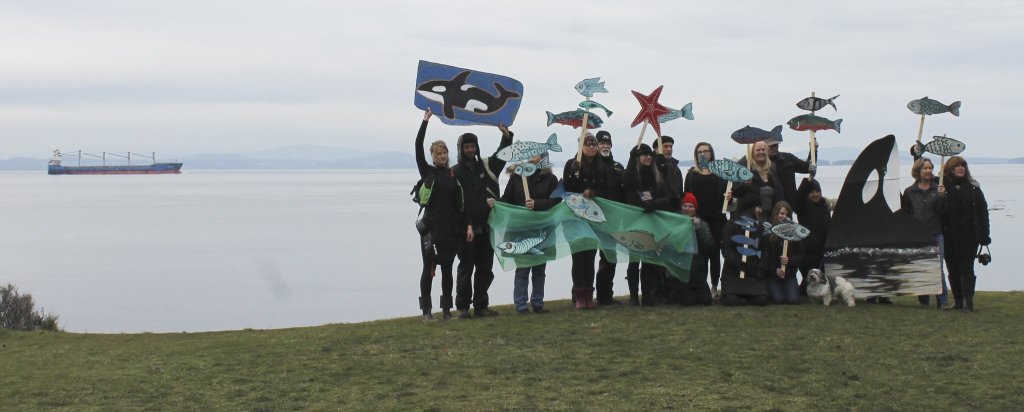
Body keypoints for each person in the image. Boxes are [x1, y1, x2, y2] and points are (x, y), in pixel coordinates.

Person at [451, 123, 513, 318]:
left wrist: (506, 137)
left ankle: (481, 306)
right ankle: (462, 307)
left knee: (485, 269)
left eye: (473, 146)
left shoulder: (487, 166)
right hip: (465, 230)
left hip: (488, 227)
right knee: (465, 268)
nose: (471, 150)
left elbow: (502, 155)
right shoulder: (454, 172)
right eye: (467, 147)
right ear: (460, 149)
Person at [414, 109, 465, 321]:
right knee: (429, 268)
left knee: (447, 270)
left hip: (449, 230)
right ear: (433, 156)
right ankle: (426, 311)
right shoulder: (428, 172)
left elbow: (458, 206)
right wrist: (425, 121)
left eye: (444, 153)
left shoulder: (453, 175)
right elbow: (418, 146)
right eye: (438, 153)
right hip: (430, 230)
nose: (442, 156)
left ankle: (446, 311)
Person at [500, 156, 561, 314]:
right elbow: (507, 198)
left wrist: (537, 204)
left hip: (542, 229)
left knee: (539, 269)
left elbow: (556, 200)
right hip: (520, 229)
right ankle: (521, 305)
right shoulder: (517, 177)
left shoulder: (550, 179)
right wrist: (497, 204)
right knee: (522, 269)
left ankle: (537, 302)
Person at [563, 133, 612, 309]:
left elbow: (608, 190)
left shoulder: (602, 167)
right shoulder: (572, 164)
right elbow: (566, 189)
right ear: (581, 146)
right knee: (578, 257)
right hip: (575, 218)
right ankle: (578, 296)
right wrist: (573, 172)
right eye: (587, 144)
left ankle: (588, 296)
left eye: (594, 144)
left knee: (590, 257)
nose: (591, 147)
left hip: (593, 218)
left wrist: (594, 193)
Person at [623, 143, 675, 305]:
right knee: (634, 262)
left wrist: (654, 203)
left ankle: (647, 296)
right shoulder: (633, 175)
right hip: (634, 223)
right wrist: (631, 158)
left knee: (648, 263)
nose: (648, 157)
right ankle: (633, 297)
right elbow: (627, 180)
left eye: (649, 155)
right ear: (638, 157)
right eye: (644, 155)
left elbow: (668, 198)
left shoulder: (656, 175)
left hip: (652, 222)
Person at [938, 156, 990, 313]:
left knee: (966, 269)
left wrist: (984, 235)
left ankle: (968, 302)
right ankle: (958, 301)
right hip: (949, 235)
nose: (961, 168)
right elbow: (940, 212)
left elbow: (983, 212)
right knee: (952, 269)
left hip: (969, 236)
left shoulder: (973, 188)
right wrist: (941, 197)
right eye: (957, 166)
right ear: (950, 169)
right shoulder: (943, 186)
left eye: (963, 165)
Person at [901, 157, 950, 309]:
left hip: (935, 233)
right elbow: (906, 214)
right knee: (920, 267)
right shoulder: (910, 192)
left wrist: (942, 198)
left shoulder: (938, 189)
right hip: (917, 235)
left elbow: (944, 213)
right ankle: (923, 300)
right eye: (925, 168)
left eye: (930, 168)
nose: (928, 171)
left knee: (937, 268)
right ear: (918, 171)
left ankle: (942, 301)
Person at [683, 142, 728, 299]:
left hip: (717, 220)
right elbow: (687, 197)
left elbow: (727, 197)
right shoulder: (691, 174)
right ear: (696, 155)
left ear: (711, 153)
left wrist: (729, 198)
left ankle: (714, 287)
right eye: (699, 152)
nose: (703, 154)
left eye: (706, 151)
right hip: (698, 221)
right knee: (700, 254)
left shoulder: (721, 173)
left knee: (715, 254)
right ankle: (701, 286)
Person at [720, 184, 769, 306]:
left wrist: (760, 268)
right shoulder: (731, 224)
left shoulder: (760, 227)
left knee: (761, 300)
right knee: (731, 301)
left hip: (753, 272)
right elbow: (726, 248)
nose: (760, 210)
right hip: (733, 272)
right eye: (758, 207)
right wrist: (739, 263)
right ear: (750, 208)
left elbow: (765, 249)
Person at [595, 130, 626, 305]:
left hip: (613, 221)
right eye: (602, 143)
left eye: (608, 143)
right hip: (593, 219)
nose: (605, 146)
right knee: (585, 258)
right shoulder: (590, 166)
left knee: (609, 258)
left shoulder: (618, 167)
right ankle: (581, 296)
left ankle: (605, 295)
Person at [668, 192, 714, 306]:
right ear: (681, 207)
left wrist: (698, 228)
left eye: (691, 206)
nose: (687, 209)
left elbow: (709, 245)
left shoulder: (702, 224)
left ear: (695, 209)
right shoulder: (673, 222)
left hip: (696, 271)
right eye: (685, 206)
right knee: (689, 301)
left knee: (705, 300)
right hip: (680, 271)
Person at [793, 177, 831, 296]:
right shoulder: (803, 208)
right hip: (808, 253)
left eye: (817, 191)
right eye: (812, 192)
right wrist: (807, 182)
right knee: (811, 282)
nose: (815, 194)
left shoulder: (825, 208)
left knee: (821, 283)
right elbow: (798, 198)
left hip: (823, 253)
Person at [761, 201, 803, 305]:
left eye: (787, 214)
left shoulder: (795, 234)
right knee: (778, 299)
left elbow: (801, 255)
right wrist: (775, 270)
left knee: (793, 300)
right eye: (782, 213)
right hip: (773, 275)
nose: (784, 216)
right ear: (776, 214)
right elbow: (765, 258)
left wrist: (790, 261)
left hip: (789, 275)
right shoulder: (768, 234)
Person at [765, 137, 814, 213]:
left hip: (789, 205)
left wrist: (813, 150)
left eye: (776, 145)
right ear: (764, 147)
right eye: (771, 146)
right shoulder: (759, 162)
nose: (774, 148)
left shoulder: (788, 158)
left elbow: (807, 168)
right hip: (770, 206)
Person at [656, 135, 685, 204]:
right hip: (655, 208)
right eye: (666, 146)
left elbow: (680, 190)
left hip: (674, 207)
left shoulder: (676, 168)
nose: (669, 149)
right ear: (657, 149)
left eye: (671, 147)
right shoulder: (651, 167)